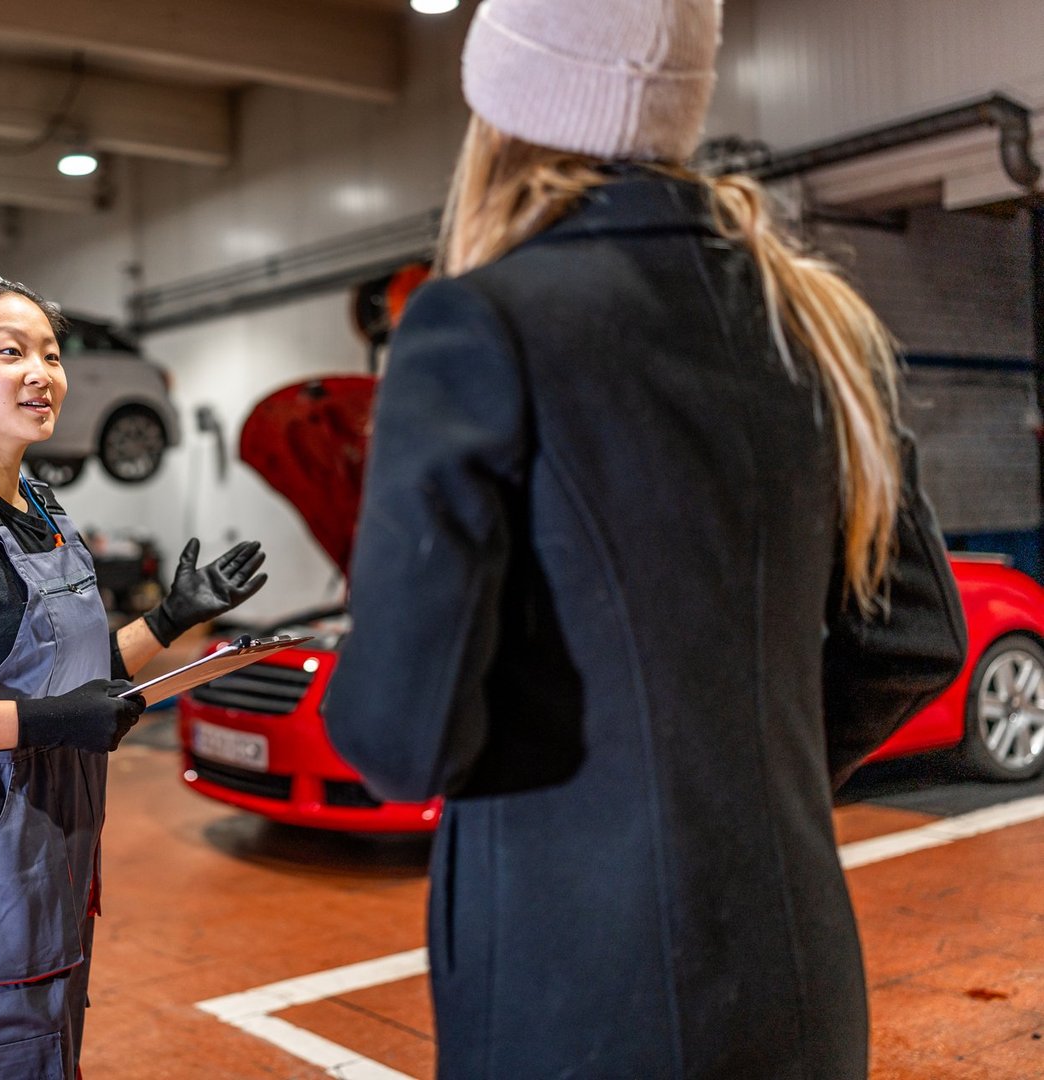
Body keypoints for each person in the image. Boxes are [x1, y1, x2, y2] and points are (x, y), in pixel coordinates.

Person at [321, 2, 968, 1077]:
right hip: (798, 982)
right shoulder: (813, 323)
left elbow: (403, 738)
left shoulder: (478, 324)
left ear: (506, 102)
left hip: (579, 997)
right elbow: (916, 636)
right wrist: (744, 771)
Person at [0, 274, 266, 1079]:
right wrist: (47, 724)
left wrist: (173, 618)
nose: (42, 372)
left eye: (51, 354)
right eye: (11, 353)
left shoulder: (43, 504)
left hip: (47, 880)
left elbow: (72, 676)